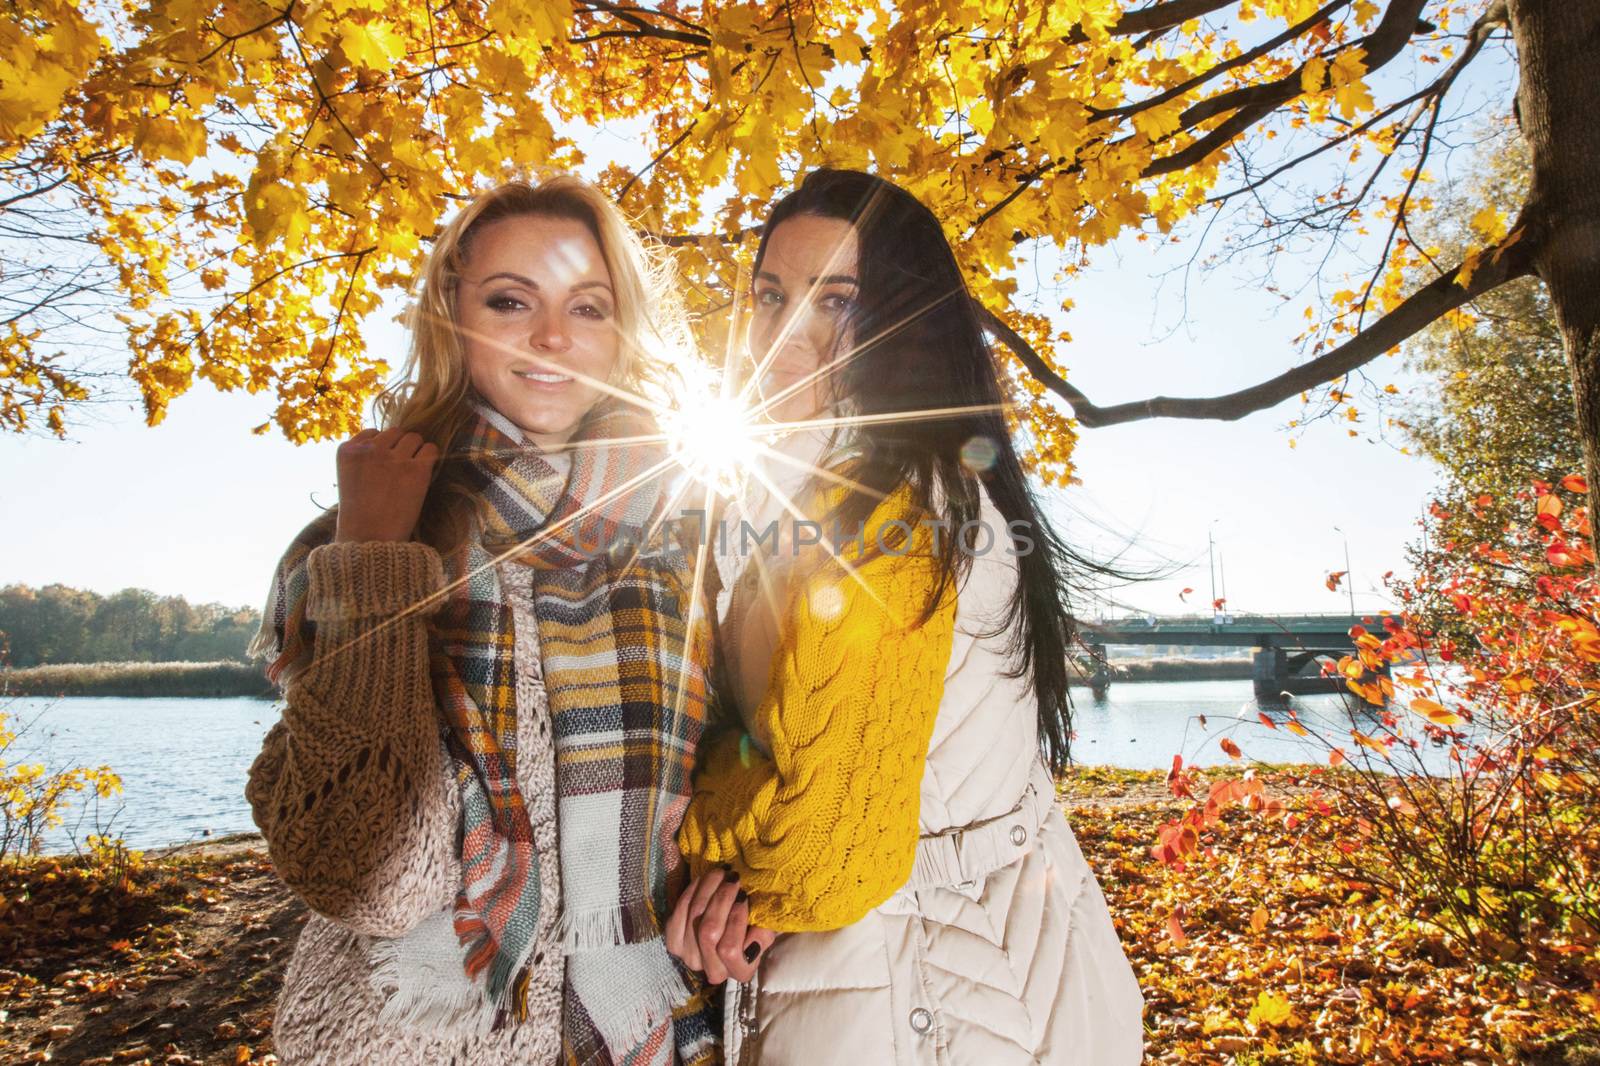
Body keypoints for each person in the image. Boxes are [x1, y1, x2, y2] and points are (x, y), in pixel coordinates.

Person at [666, 168, 1145, 1063]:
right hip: (970, 965)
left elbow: (814, 855)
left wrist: (694, 841)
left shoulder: (894, 517)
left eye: (834, 301)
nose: (786, 337)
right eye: (769, 297)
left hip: (936, 998)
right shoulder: (821, 493)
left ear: (904, 322)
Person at [245, 174, 721, 1066]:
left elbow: (730, 771)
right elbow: (365, 874)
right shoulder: (364, 541)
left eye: (588, 307)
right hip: (419, 1039)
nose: (551, 338)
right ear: (451, 312)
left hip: (649, 1027)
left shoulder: (687, 543)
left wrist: (726, 885)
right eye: (511, 301)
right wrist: (375, 562)